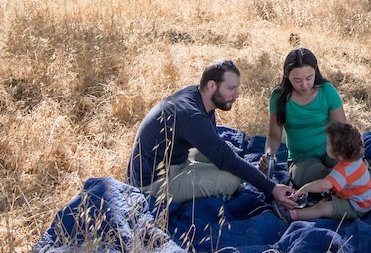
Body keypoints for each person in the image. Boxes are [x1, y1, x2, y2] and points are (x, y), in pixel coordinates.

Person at [126, 59, 297, 210]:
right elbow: (226, 160)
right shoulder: (193, 117)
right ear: (211, 85)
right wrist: (272, 187)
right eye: (231, 88)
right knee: (231, 180)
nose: (236, 95)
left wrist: (252, 172)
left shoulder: (199, 97)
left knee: (228, 149)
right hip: (154, 181)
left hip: (175, 160)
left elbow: (223, 152)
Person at [261, 47, 371, 189]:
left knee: (353, 182)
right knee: (324, 185)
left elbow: (343, 129)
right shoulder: (279, 97)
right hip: (301, 159)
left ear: (315, 72)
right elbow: (274, 136)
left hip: (334, 151)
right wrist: (269, 156)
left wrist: (354, 156)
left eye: (309, 78)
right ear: (287, 76)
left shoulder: (326, 91)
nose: (304, 85)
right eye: (297, 80)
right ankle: (366, 172)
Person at [288, 121, 371, 222]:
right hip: (363, 199)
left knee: (322, 208)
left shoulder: (343, 171)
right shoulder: (355, 160)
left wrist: (305, 188)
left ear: (339, 154)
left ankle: (294, 215)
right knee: (325, 200)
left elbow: (324, 185)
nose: (326, 146)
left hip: (357, 207)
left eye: (328, 145)